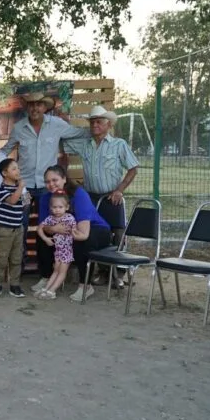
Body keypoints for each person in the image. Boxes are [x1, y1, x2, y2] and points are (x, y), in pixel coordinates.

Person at [4, 93, 90, 254]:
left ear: (45, 107)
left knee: (49, 223)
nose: (35, 108)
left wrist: (97, 132)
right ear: (26, 108)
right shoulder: (19, 128)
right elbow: (6, 150)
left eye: (39, 104)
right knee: (20, 223)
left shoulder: (56, 124)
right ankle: (18, 267)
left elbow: (78, 133)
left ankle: (48, 265)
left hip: (47, 186)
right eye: (31, 105)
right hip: (25, 187)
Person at [63, 105, 139, 285]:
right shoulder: (85, 145)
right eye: (92, 122)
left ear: (109, 124)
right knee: (98, 232)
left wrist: (119, 190)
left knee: (118, 233)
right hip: (91, 197)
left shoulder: (119, 144)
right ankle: (103, 272)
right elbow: (63, 141)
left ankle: (119, 274)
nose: (94, 125)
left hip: (112, 196)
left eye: (99, 122)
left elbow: (133, 169)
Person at [34, 165, 112, 302]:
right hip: (63, 230)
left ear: (64, 179)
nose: (51, 184)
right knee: (42, 238)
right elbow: (44, 225)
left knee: (81, 241)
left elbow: (84, 232)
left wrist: (64, 231)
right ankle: (46, 277)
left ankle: (85, 285)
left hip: (95, 229)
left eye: (55, 180)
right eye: (47, 181)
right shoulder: (45, 198)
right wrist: (53, 230)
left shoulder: (79, 194)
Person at [0, 158, 27, 298]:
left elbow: (25, 204)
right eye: (14, 169)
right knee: (1, 258)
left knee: (17, 258)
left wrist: (25, 194)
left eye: (18, 168)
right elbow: (12, 201)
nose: (18, 171)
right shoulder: (1, 189)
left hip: (18, 227)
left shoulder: (20, 188)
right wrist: (20, 188)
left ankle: (15, 285)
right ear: (5, 173)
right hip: (3, 229)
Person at [35, 192, 77, 300]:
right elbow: (39, 228)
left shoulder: (70, 218)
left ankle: (52, 291)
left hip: (67, 250)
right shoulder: (50, 218)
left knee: (62, 272)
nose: (57, 210)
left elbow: (75, 231)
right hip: (58, 251)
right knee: (56, 270)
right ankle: (46, 288)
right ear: (50, 208)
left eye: (60, 207)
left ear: (67, 207)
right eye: (54, 207)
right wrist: (45, 239)